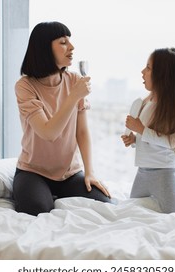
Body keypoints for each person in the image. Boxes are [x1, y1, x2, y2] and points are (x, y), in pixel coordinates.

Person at [13, 21, 111, 216]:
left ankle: (58, 193)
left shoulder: (74, 80)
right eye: (63, 42)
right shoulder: (25, 86)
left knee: (104, 204)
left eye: (70, 42)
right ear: (44, 48)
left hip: (69, 173)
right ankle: (40, 193)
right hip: (33, 172)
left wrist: (90, 172)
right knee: (37, 209)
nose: (72, 47)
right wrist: (73, 96)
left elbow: (82, 132)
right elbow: (49, 133)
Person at [121, 47, 175, 214]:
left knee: (174, 214)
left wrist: (141, 130)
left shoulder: (174, 109)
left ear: (163, 75)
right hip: (143, 171)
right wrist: (134, 139)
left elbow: (171, 143)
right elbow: (149, 140)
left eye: (148, 68)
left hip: (165, 173)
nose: (142, 72)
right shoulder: (145, 103)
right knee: (130, 211)